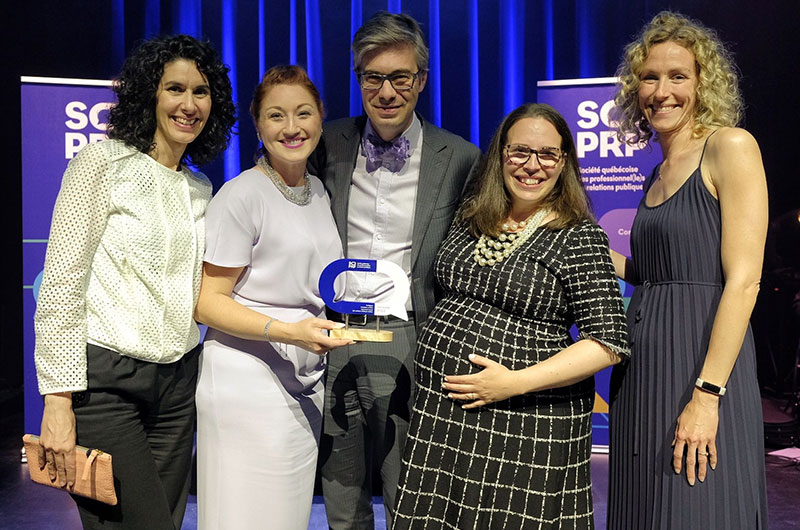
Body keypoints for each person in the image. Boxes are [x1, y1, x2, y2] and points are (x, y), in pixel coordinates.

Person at [392, 103, 629, 529]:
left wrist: (512, 382)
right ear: (500, 155)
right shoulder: (471, 217)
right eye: (519, 151)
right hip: (443, 418)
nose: (531, 166)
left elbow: (608, 342)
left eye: (547, 155)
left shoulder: (579, 236)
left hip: (525, 422)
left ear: (564, 163)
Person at [33, 34, 235, 529]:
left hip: (178, 387)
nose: (189, 105)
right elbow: (60, 285)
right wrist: (57, 402)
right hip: (106, 389)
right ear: (151, 93)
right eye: (175, 89)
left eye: (202, 92)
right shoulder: (99, 165)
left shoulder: (201, 188)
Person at [310, 11, 481, 529]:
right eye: (373, 77)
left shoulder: (462, 158)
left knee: (409, 493)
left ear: (421, 81)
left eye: (399, 77)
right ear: (359, 79)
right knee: (340, 495)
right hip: (332, 333)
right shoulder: (324, 144)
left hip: (412, 334)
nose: (386, 91)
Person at [606, 11, 769, 529]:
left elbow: (744, 280)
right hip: (641, 372)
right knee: (645, 511)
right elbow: (653, 273)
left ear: (704, 83)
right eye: (650, 77)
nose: (662, 90)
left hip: (702, 366)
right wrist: (567, 240)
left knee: (697, 508)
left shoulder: (730, 146)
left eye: (678, 76)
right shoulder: (657, 170)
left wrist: (707, 395)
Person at [194, 65, 350, 530]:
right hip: (245, 384)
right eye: (276, 116)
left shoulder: (319, 192)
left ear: (321, 119)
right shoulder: (241, 195)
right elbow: (207, 302)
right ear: (258, 125)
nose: (292, 127)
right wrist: (288, 332)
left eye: (303, 113)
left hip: (305, 383)